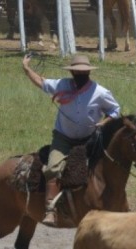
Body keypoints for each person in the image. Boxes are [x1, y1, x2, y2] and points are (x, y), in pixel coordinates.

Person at [22, 54, 121, 227]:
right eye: (77, 72)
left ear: (89, 73)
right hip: (63, 139)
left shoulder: (100, 92)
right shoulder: (62, 85)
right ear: (72, 73)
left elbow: (115, 110)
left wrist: (104, 122)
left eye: (84, 72)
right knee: (53, 168)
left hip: (89, 139)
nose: (80, 75)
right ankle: (50, 209)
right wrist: (27, 69)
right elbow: (42, 83)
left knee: (103, 168)